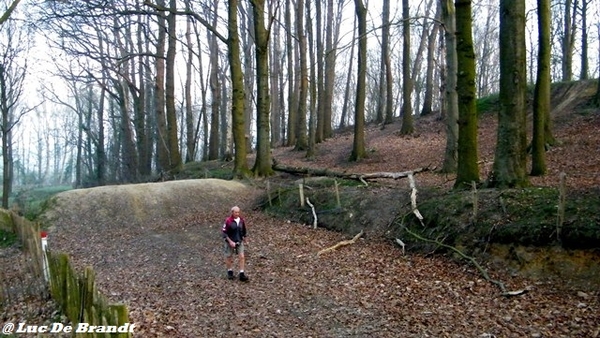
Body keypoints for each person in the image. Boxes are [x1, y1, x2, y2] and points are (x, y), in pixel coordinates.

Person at [221, 206, 249, 281]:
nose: (237, 214)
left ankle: (242, 273)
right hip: (230, 241)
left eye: (238, 212)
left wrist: (245, 239)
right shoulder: (228, 221)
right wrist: (230, 241)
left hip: (239, 241)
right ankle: (230, 271)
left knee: (242, 256)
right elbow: (224, 233)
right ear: (232, 212)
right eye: (236, 212)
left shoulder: (241, 220)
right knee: (229, 256)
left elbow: (244, 230)